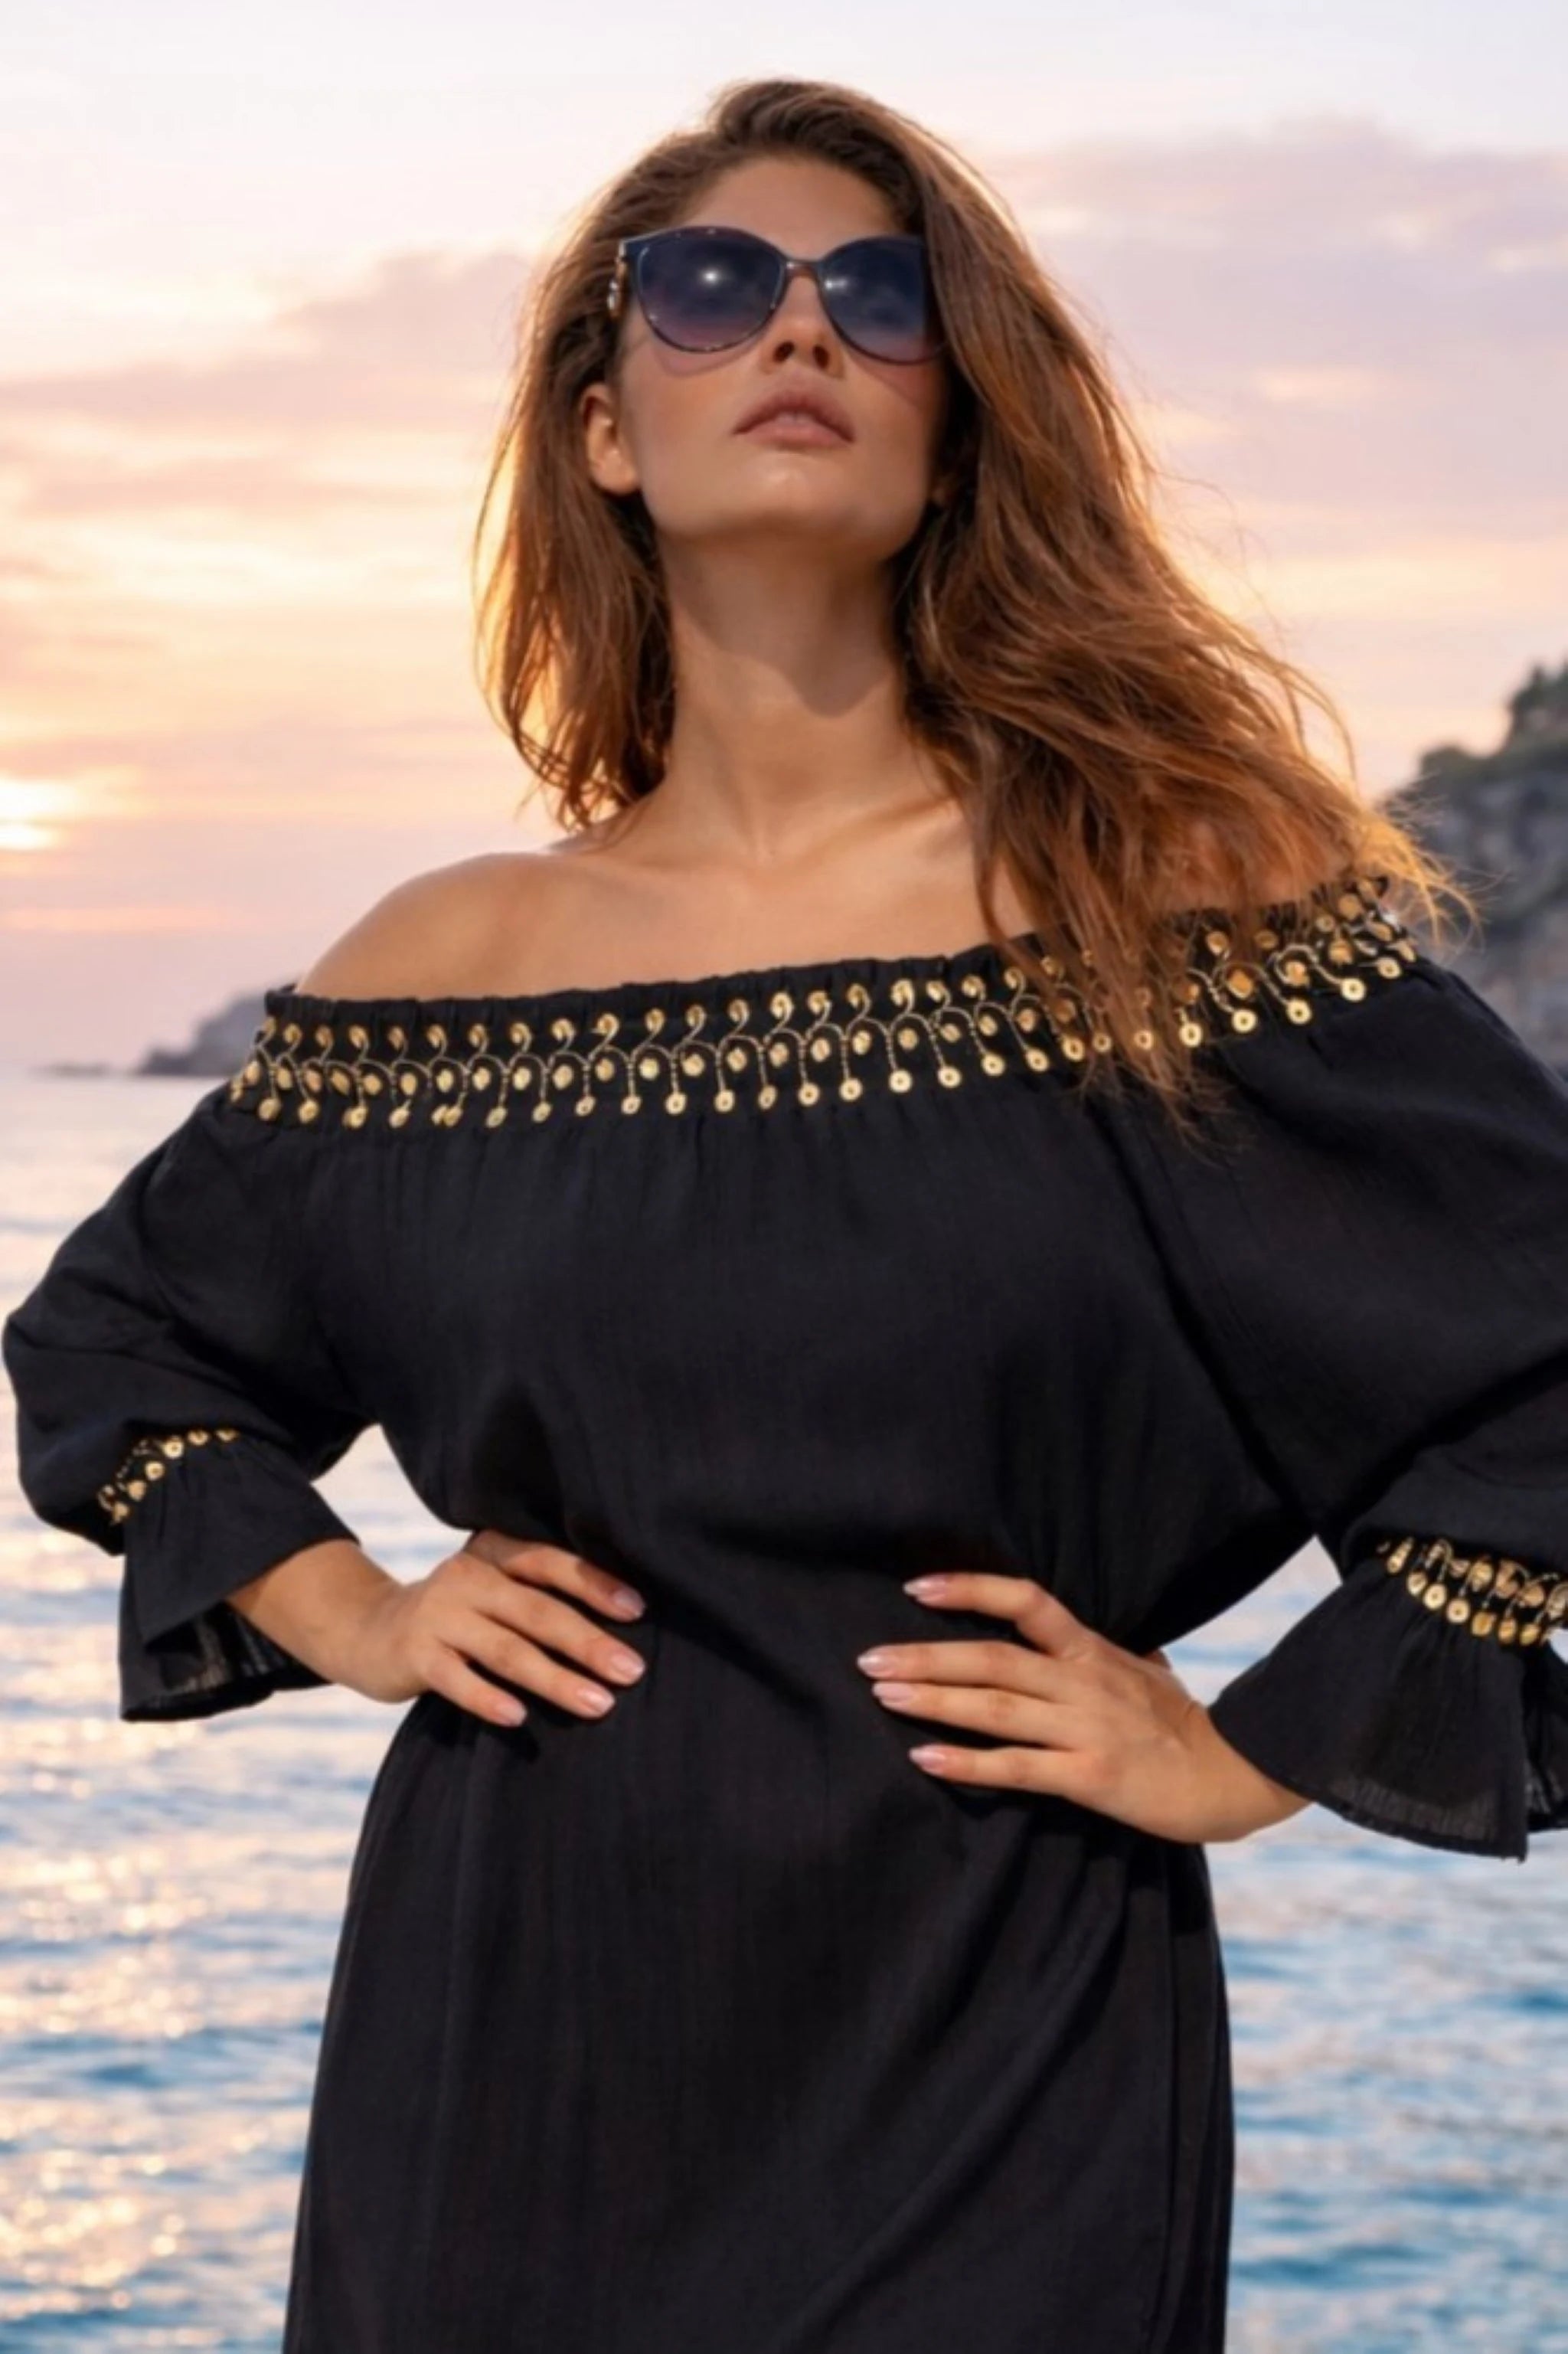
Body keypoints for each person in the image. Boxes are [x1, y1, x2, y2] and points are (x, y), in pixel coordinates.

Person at [6, 74, 1568, 2354]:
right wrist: (356, 1611)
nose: (802, 330)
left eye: (879, 296)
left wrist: (1249, 1749)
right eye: (717, 286)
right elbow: (112, 1339)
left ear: (959, 424)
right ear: (607, 430)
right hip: (510, 2053)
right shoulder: (447, 970)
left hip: (1001, 2042)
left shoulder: (1172, 913)